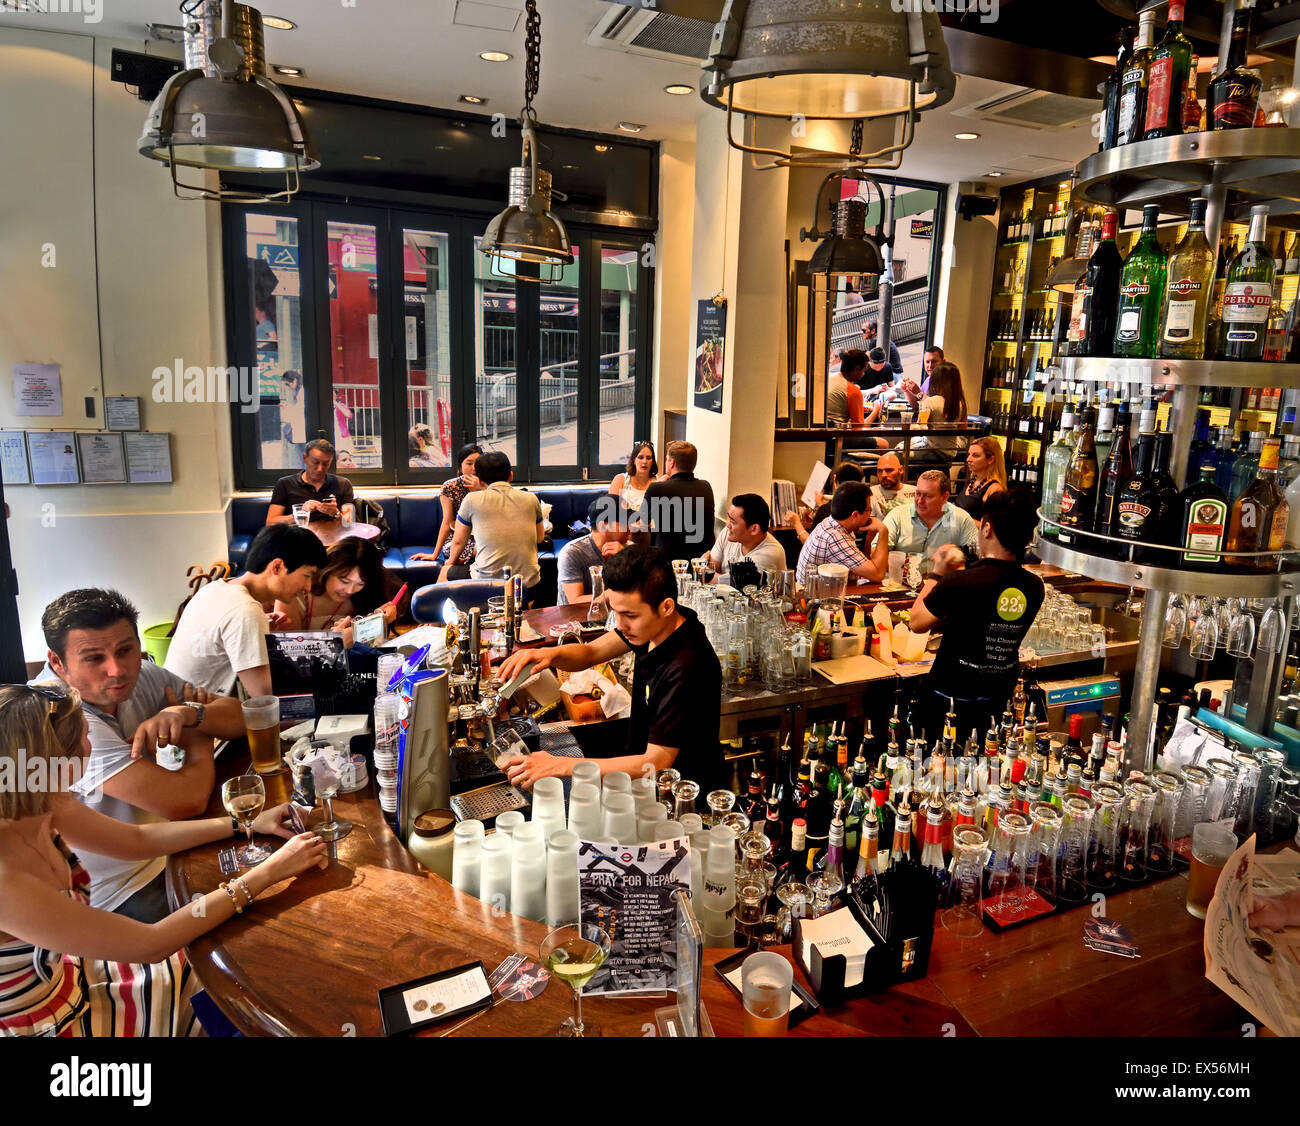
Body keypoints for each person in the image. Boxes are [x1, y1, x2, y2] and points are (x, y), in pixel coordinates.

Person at [0, 682, 326, 1036]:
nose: (91, 747)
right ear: (54, 763)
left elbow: (136, 839)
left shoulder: (41, 796)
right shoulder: (6, 882)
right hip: (55, 1023)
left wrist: (243, 823)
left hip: (76, 976)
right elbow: (151, 943)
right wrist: (269, 872)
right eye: (84, 738)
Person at [34, 589, 247, 919]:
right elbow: (184, 803)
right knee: (250, 910)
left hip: (168, 848)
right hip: (119, 891)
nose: (117, 670)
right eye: (94, 658)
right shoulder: (57, 716)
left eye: (125, 650)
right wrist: (196, 731)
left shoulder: (144, 675)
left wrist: (188, 713)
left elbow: (244, 718)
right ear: (57, 663)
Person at [496, 546, 723, 790]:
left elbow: (656, 761)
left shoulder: (685, 666)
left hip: (685, 794)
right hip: (644, 780)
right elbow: (590, 652)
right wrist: (546, 655)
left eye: (629, 615)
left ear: (666, 607)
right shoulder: (654, 626)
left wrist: (560, 766)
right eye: (615, 611)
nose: (620, 624)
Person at [906, 488, 1045, 743]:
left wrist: (937, 573)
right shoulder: (1035, 587)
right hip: (997, 700)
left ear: (987, 528)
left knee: (942, 770)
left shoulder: (961, 582)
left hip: (949, 700)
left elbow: (916, 622)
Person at [166, 524, 325, 698]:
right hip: (191, 715)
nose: (308, 587)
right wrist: (330, 648)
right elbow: (265, 696)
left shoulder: (217, 588)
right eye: (307, 575)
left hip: (175, 703)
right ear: (277, 567)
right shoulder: (245, 610)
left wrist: (260, 630)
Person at [441, 451, 544, 600]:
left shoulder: (472, 499)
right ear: (511, 475)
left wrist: (450, 563)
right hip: (528, 585)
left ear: (480, 481)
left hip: (486, 584)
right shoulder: (531, 498)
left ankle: (435, 622)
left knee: (445, 571)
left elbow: (458, 542)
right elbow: (540, 538)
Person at [272, 539, 399, 648]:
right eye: (344, 581)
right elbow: (289, 651)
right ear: (327, 570)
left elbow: (371, 649)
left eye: (360, 584)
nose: (349, 590)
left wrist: (377, 620)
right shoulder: (293, 593)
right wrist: (351, 634)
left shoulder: (363, 596)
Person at [869, 469, 980, 584]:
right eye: (917, 494)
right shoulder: (898, 515)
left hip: (944, 586)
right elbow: (875, 553)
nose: (920, 501)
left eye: (928, 496)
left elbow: (977, 558)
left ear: (945, 496)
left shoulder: (961, 518)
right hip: (899, 585)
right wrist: (897, 567)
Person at [866, 360, 969, 466]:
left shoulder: (931, 401)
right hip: (950, 452)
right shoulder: (961, 403)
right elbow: (963, 430)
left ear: (935, 381)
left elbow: (920, 427)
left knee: (890, 458)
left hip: (933, 451)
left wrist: (903, 427)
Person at [634, 441, 715, 564]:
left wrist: (659, 485)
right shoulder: (706, 487)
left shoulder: (657, 489)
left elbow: (640, 523)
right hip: (700, 562)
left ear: (672, 462)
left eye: (667, 459)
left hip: (666, 564)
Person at [410, 443, 483, 579]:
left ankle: (457, 566)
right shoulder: (450, 486)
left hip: (482, 535)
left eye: (477, 464)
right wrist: (434, 554)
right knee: (454, 548)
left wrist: (479, 489)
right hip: (457, 538)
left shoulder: (487, 486)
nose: (474, 468)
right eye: (469, 463)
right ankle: (464, 563)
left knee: (485, 548)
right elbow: (447, 521)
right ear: (460, 466)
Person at [795, 482, 886, 585]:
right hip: (813, 597)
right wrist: (883, 531)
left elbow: (864, 566)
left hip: (825, 590)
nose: (871, 515)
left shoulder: (831, 522)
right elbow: (878, 575)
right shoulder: (835, 537)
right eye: (869, 510)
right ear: (855, 515)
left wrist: (870, 536)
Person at [557, 496, 631, 605]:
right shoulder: (573, 552)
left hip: (614, 616)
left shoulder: (628, 549)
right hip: (575, 618)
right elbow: (575, 601)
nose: (631, 527)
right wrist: (612, 594)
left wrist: (624, 559)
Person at [266, 438, 356, 526]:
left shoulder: (343, 484)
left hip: (333, 537)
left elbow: (349, 523)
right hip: (299, 537)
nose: (320, 469)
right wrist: (301, 514)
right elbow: (270, 522)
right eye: (315, 462)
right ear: (304, 458)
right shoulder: (285, 484)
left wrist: (336, 513)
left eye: (325, 464)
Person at [703, 493, 787, 581]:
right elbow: (712, 569)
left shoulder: (769, 554)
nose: (727, 524)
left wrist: (702, 567)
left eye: (733, 521)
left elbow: (727, 583)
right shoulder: (728, 533)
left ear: (754, 529)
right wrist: (708, 572)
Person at [787, 462, 864, 544]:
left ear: (835, 478)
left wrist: (796, 523)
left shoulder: (829, 510)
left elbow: (811, 544)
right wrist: (820, 505)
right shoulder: (863, 507)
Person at [952, 437, 1007, 520]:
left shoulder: (995, 489)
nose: (968, 459)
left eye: (975, 455)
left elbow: (990, 527)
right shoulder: (972, 480)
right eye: (969, 454)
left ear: (990, 459)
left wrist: (960, 518)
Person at [609, 441, 658, 516]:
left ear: (652, 461)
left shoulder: (658, 482)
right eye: (640, 457)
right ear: (634, 460)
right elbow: (611, 510)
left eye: (648, 458)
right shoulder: (620, 479)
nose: (644, 461)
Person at [869, 451, 915, 521]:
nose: (883, 475)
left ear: (901, 470)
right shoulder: (870, 493)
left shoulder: (916, 492)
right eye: (880, 471)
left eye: (888, 470)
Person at [827, 349, 867, 426]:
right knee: (880, 439)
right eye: (864, 370)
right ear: (857, 369)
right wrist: (876, 411)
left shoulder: (829, 378)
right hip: (836, 435)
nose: (863, 374)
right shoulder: (853, 391)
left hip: (821, 430)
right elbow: (858, 427)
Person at [279, 370, 306, 466]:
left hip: (302, 430)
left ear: (294, 380)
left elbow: (300, 412)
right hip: (301, 430)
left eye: (287, 384)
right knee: (304, 457)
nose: (288, 387)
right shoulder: (301, 392)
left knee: (305, 457)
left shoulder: (302, 393)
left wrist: (287, 407)